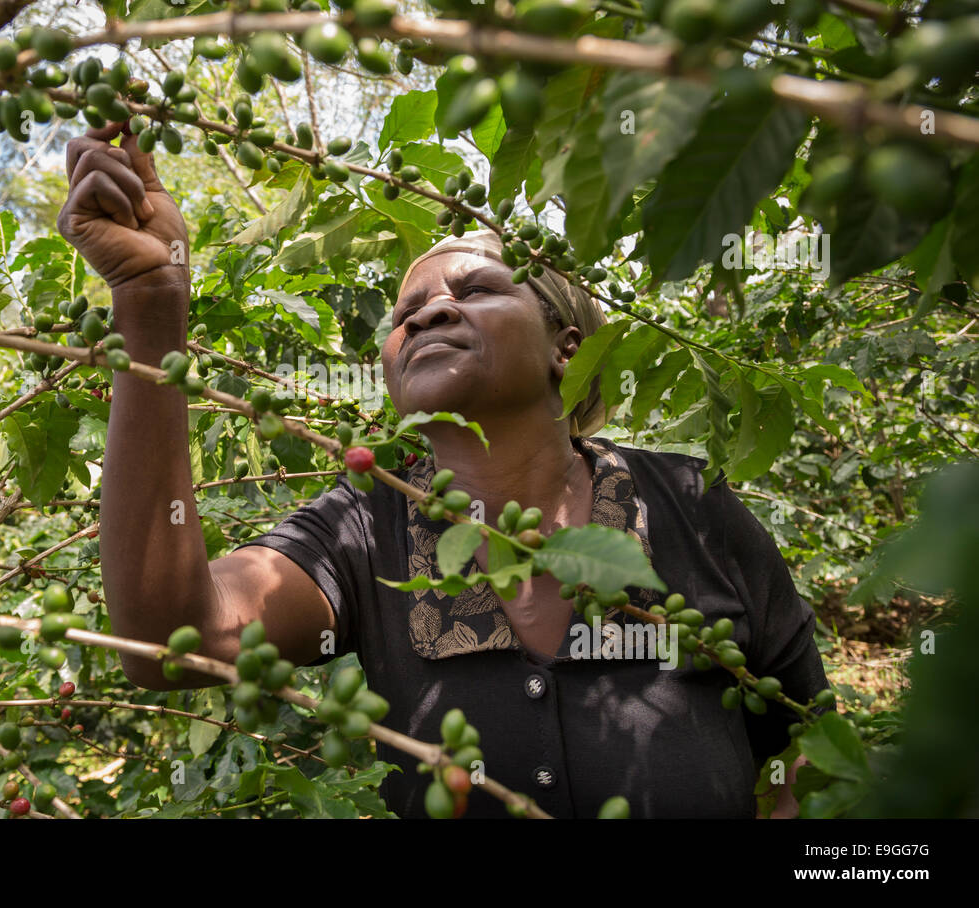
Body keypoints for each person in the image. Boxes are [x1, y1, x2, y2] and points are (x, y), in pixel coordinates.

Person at [58, 121, 830, 819]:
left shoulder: (690, 505)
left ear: (567, 344)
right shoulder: (362, 528)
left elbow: (807, 740)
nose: (427, 313)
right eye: (406, 315)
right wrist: (153, 310)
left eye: (477, 290)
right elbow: (172, 638)